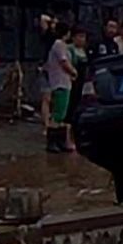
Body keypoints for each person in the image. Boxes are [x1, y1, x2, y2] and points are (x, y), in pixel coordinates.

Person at [43, 20, 79, 154]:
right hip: (59, 82)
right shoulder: (59, 45)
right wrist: (73, 71)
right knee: (58, 113)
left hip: (65, 82)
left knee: (62, 113)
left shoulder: (63, 45)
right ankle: (52, 141)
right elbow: (64, 62)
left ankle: (60, 140)